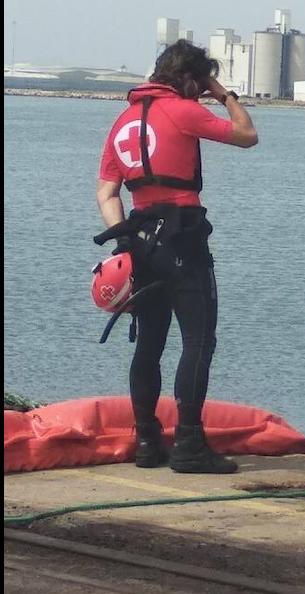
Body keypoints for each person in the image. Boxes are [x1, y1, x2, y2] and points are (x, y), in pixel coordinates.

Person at [95, 39, 258, 474]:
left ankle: (147, 441)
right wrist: (224, 95)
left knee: (149, 344)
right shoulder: (184, 110)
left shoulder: (123, 120)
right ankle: (188, 445)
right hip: (183, 240)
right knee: (198, 341)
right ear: (191, 79)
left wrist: (122, 239)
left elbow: (107, 191)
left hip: (140, 243)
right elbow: (247, 135)